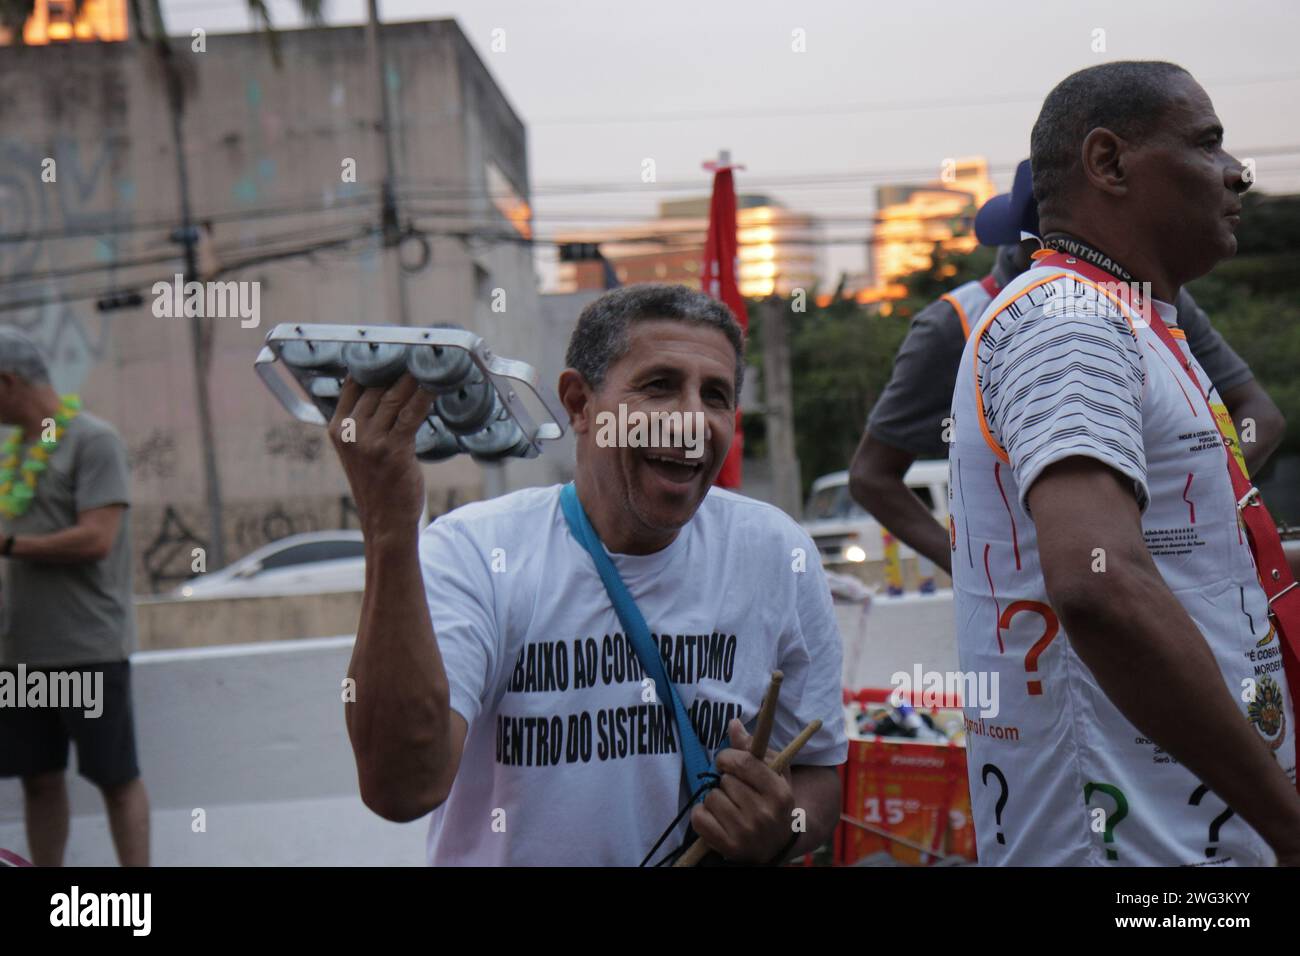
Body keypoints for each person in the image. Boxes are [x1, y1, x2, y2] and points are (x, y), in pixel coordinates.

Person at [329, 283, 847, 865]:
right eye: (659, 386)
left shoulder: (778, 553)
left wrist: (780, 829)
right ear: (579, 404)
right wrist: (391, 529)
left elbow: (820, 773)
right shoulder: (474, 554)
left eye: (716, 396)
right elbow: (402, 788)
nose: (691, 421)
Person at [949, 61, 1300, 865]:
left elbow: (1182, 565)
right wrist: (1288, 827)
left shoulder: (1127, 320)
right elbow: (1100, 585)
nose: (1236, 172)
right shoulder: (1068, 322)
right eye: (1208, 144)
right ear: (1108, 164)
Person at [849, 159, 1284, 577]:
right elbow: (872, 477)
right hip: (1032, 618)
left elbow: (1258, 415)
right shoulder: (954, 326)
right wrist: (967, 567)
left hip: (1162, 580)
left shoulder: (1147, 295)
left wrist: (1193, 499)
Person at [0, 328, 148, 867]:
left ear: (7, 382)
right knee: (37, 780)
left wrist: (9, 544)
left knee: (116, 778)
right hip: (21, 652)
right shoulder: (16, 449)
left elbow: (97, 538)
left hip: (89, 648)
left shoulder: (93, 440)